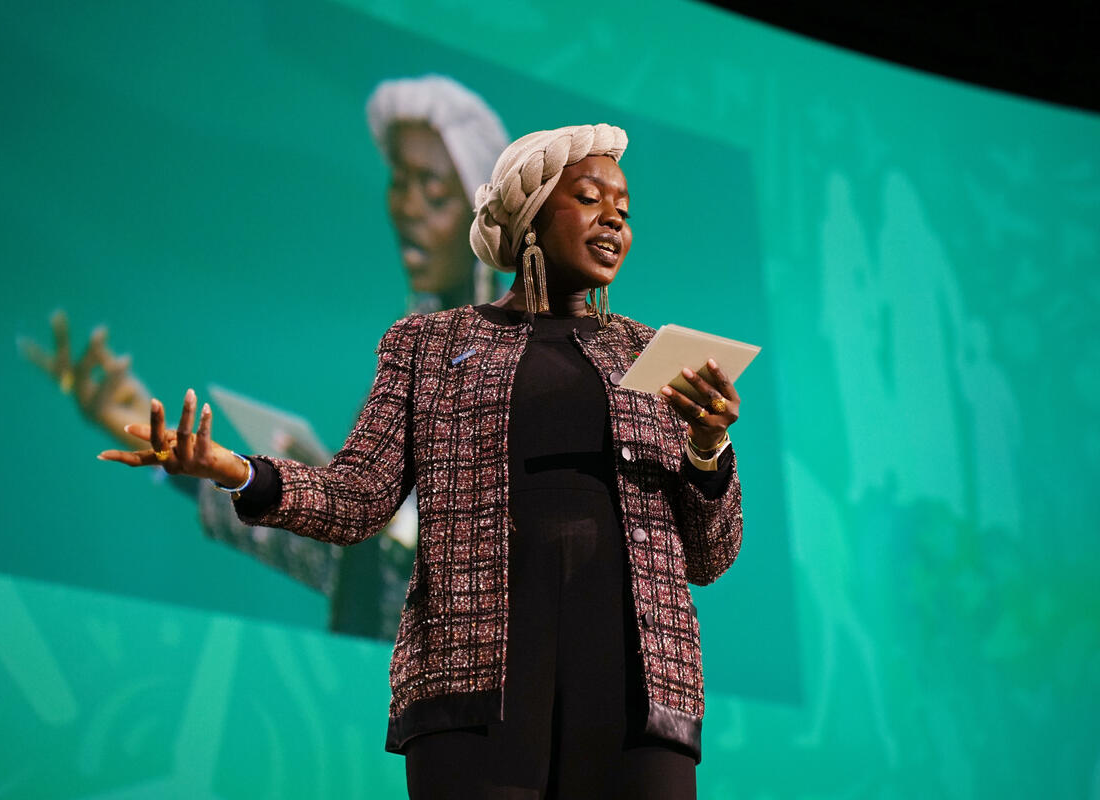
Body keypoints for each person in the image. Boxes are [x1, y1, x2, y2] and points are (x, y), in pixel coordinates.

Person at [100, 124, 743, 799]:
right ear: (529, 211)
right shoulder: (428, 346)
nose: (615, 217)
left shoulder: (654, 357)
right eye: (589, 197)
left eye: (626, 209)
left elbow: (709, 556)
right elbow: (358, 498)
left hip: (637, 697)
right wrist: (240, 471)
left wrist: (709, 451)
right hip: (475, 691)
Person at [25, 74, 509, 641]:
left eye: (433, 188)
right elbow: (339, 568)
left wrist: (385, 524)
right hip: (360, 703)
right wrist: (176, 458)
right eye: (399, 181)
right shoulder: (410, 369)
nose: (406, 207)